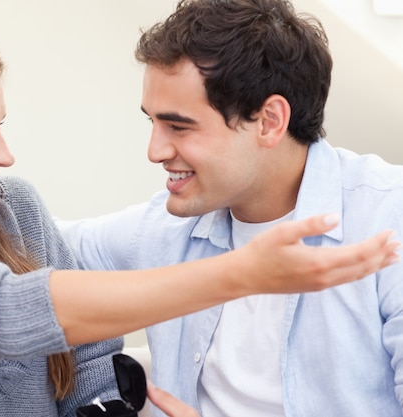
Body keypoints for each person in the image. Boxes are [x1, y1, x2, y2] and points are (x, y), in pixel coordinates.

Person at [0, 18, 398, 417]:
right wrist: (243, 274)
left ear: (269, 120)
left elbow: (70, 314)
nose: (4, 152)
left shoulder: (13, 212)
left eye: (177, 125)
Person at [58, 0, 403, 416]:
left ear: (270, 121)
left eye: (179, 126)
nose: (154, 151)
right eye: (152, 122)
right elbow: (34, 247)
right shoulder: (164, 229)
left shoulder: (388, 220)